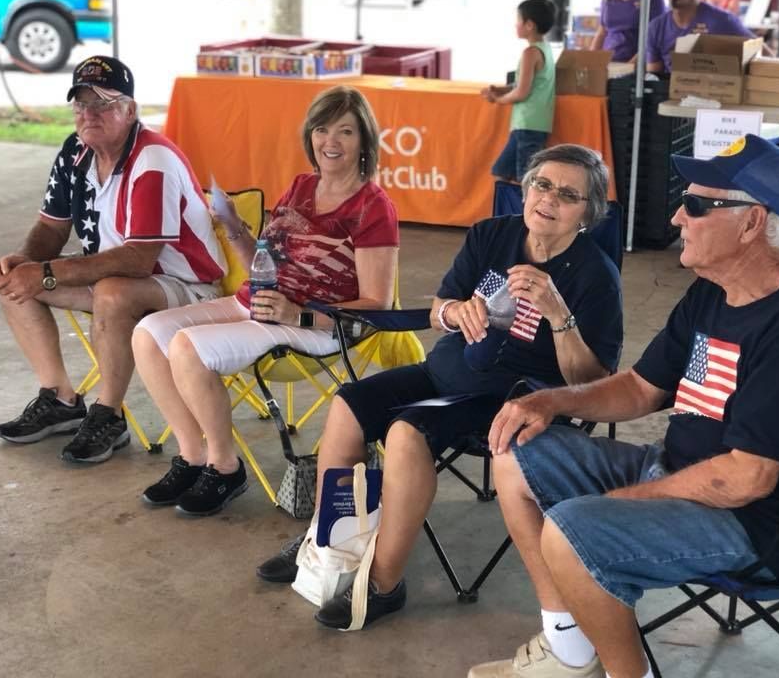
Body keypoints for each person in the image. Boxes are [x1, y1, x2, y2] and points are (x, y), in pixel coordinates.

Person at [467, 133, 779, 678]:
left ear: (753, 222)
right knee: (516, 448)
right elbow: (640, 387)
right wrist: (549, 401)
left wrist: (624, 501)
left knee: (573, 529)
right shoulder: (714, 288)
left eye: (700, 205)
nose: (678, 216)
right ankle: (569, 651)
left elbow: (745, 480)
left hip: (770, 525)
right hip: (684, 472)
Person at [256, 144, 625, 631]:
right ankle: (327, 544)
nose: (549, 199)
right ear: (526, 189)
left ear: (587, 213)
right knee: (348, 406)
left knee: (408, 432)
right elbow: (439, 308)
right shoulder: (492, 235)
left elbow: (590, 383)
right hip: (443, 373)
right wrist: (454, 312)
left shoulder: (597, 275)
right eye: (541, 184)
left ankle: (384, 584)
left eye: (568, 194)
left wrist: (559, 315)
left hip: (509, 397)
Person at [131, 85, 399, 517]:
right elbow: (266, 264)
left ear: (365, 141)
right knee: (148, 333)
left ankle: (225, 467)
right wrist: (234, 228)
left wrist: (299, 313)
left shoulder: (373, 207)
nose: (330, 141)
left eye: (345, 132)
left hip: (316, 325)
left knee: (187, 347)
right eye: (322, 129)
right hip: (259, 303)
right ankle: (192, 456)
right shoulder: (300, 186)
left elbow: (377, 306)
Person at [0, 56, 226, 464]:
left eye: (103, 104)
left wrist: (44, 273)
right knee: (14, 279)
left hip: (189, 286)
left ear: (130, 111)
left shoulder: (154, 159)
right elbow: (50, 228)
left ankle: (109, 415)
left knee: (113, 293)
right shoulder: (74, 152)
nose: (89, 114)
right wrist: (25, 262)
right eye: (80, 104)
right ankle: (60, 397)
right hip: (114, 275)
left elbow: (138, 259)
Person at [483, 0, 557, 186]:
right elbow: (524, 83)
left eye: (518, 20)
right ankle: (506, 213)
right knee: (501, 172)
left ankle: (522, 215)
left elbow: (522, 92)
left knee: (524, 180)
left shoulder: (530, 53)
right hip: (529, 125)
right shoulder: (545, 49)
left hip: (528, 125)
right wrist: (500, 89)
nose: (516, 25)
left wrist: (498, 99)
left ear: (529, 25)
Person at [646, 0, 753, 74]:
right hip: (672, 89)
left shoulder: (722, 21)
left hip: (712, 88)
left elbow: (759, 49)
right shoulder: (656, 27)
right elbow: (655, 78)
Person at [590, 0, 666, 63]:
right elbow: (602, 32)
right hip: (608, 63)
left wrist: (629, 67)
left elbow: (655, 39)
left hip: (636, 66)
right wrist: (590, 61)